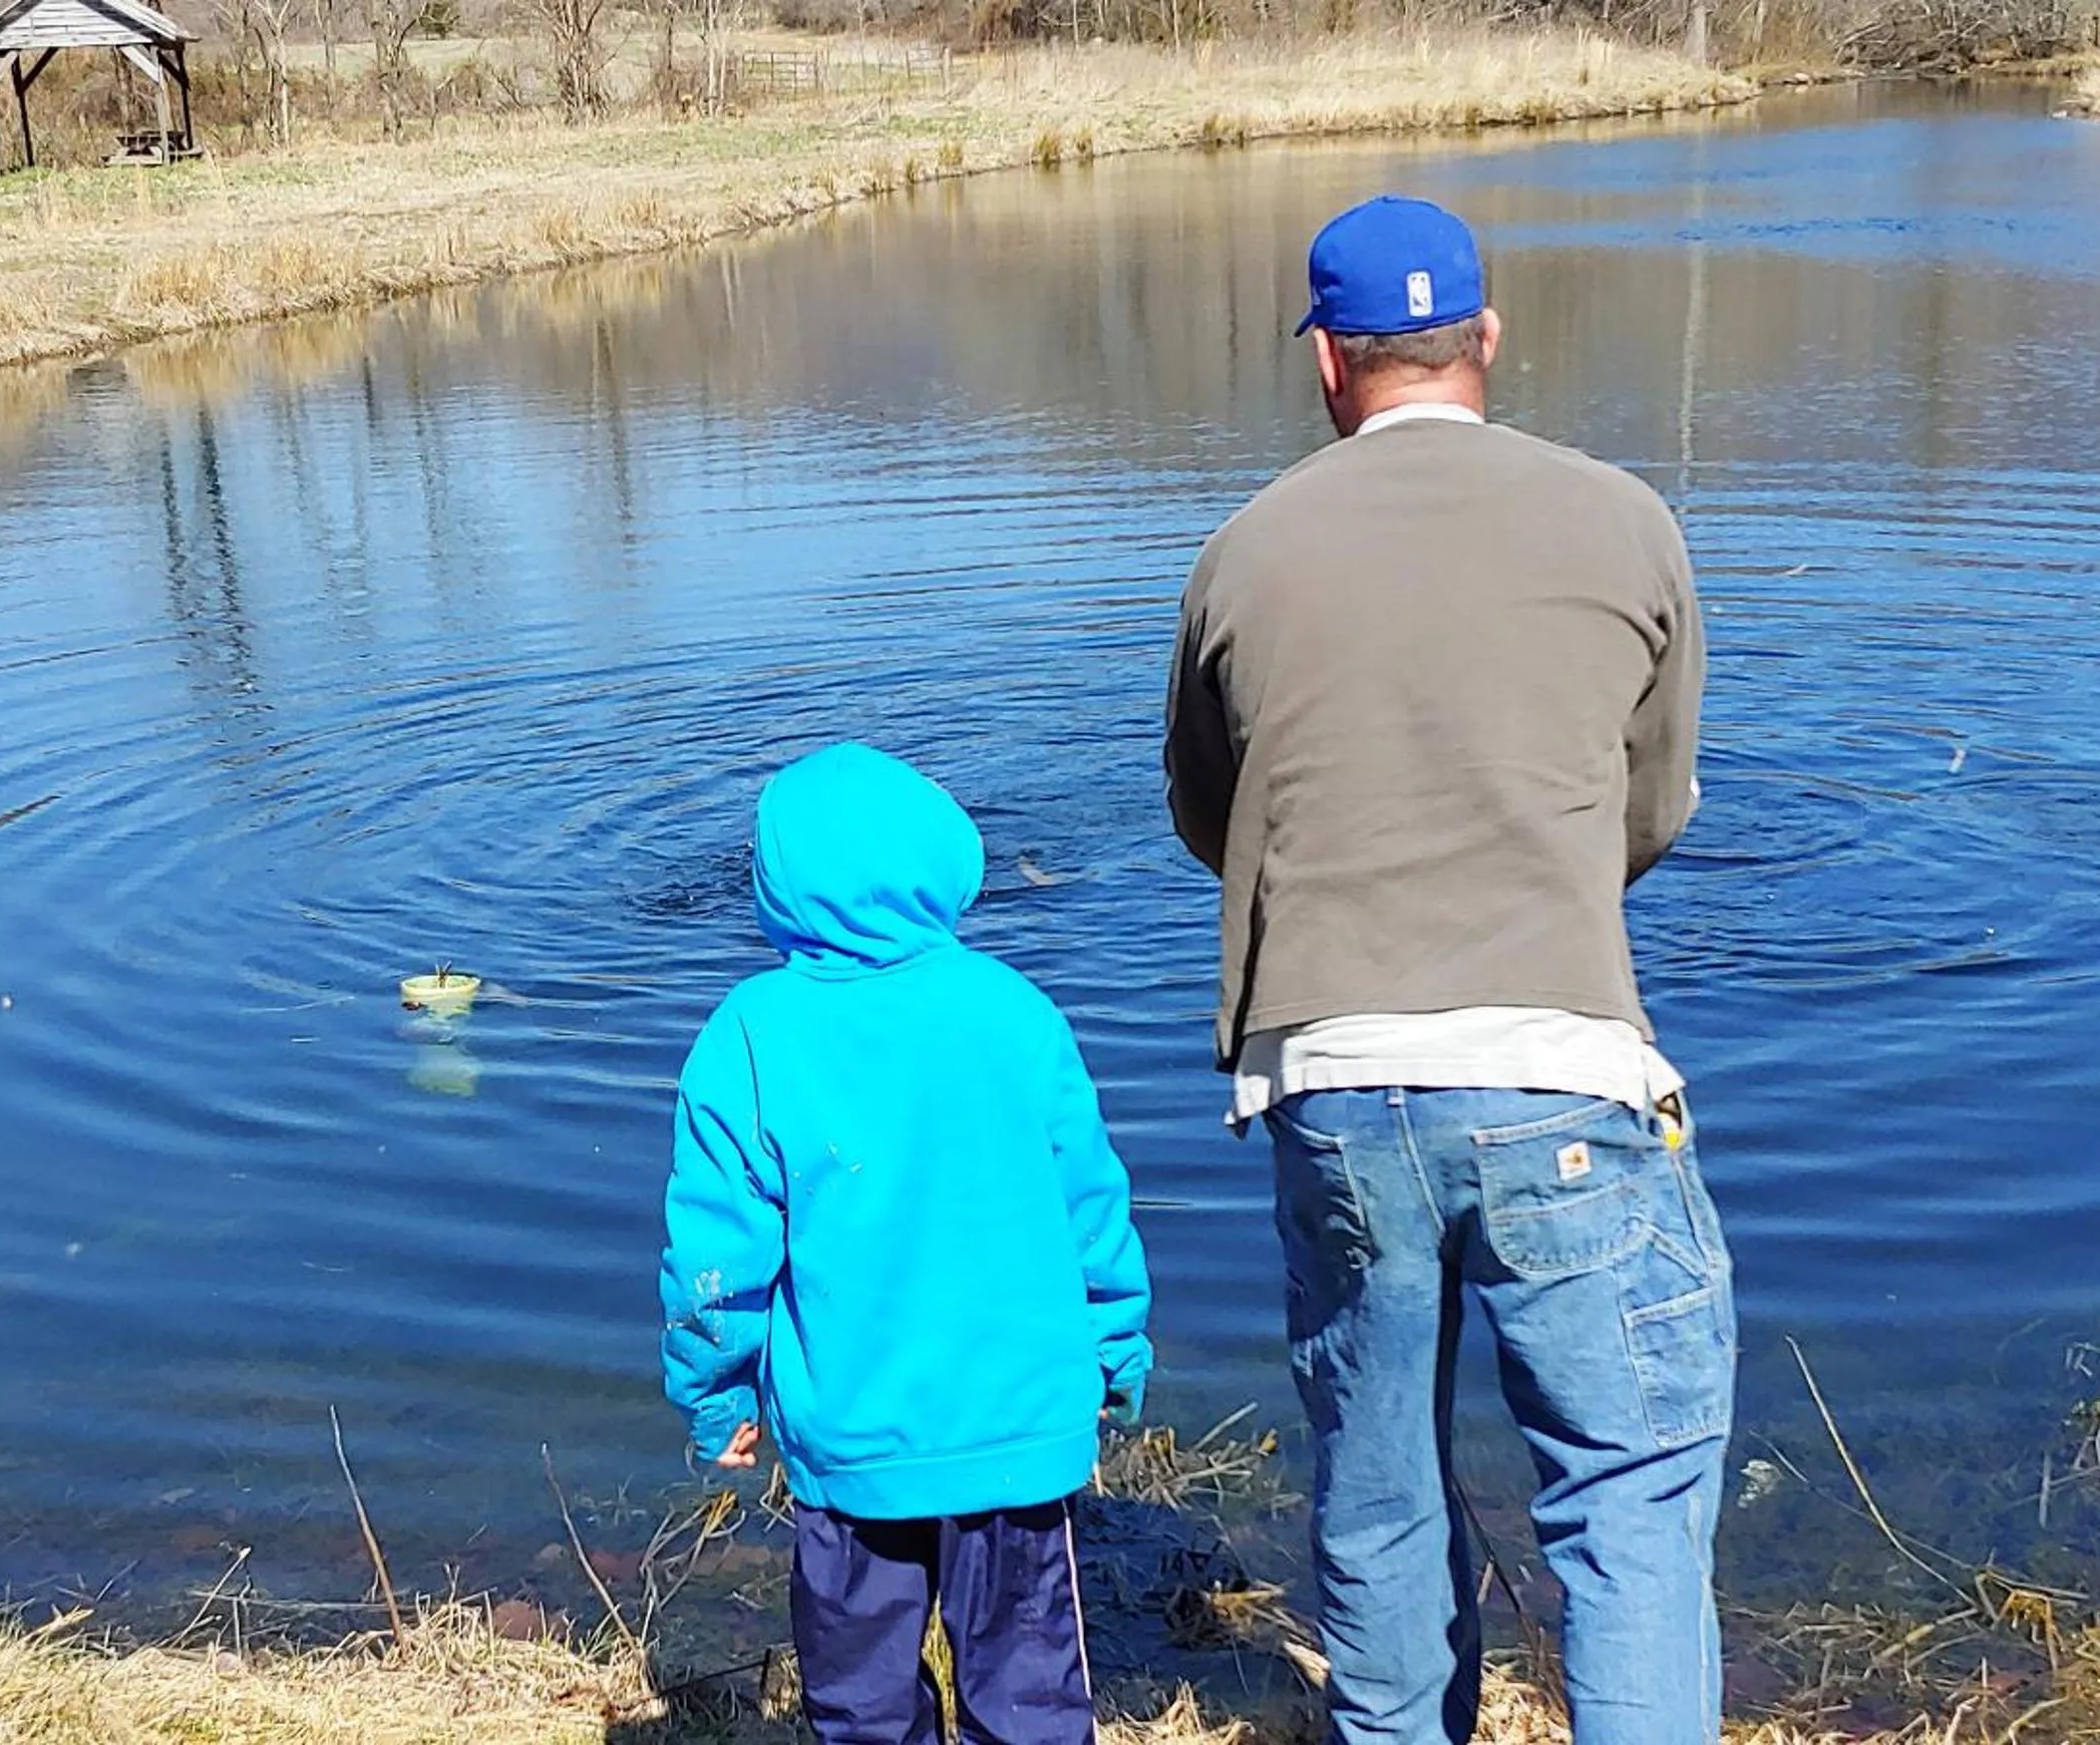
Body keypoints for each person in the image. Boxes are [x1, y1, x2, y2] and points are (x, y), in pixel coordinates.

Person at [1163, 195, 1736, 1745]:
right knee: (1625, 1497)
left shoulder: (1241, 551)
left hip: (1329, 1077)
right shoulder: (1627, 520)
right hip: (1562, 1068)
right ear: (1486, 337)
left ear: (1329, 361)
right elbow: (1653, 807)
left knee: (1377, 1486)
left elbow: (1214, 821)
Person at [659, 742, 1155, 1745]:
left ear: (775, 884)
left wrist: (716, 1396)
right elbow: (1092, 1211)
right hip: (1017, 1429)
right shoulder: (1015, 1011)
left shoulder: (748, 1034)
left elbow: (714, 1262)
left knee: (862, 1706)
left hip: (852, 1442)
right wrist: (1115, 1351)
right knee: (1030, 1700)